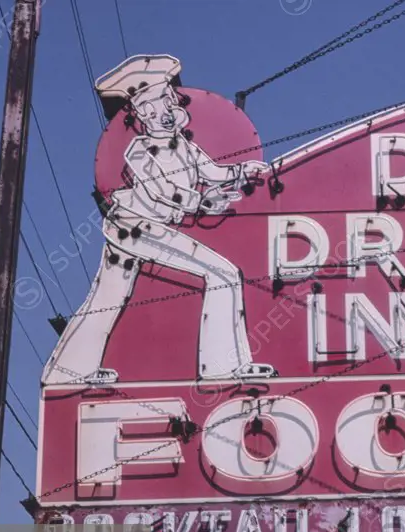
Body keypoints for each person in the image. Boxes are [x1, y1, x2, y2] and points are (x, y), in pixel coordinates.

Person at [42, 54, 276, 385]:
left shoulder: (185, 144)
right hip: (136, 228)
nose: (160, 114)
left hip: (142, 228)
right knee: (222, 273)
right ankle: (221, 369)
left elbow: (213, 172)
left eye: (164, 104)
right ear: (137, 115)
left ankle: (67, 372)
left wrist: (241, 172)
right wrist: (202, 202)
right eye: (150, 109)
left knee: (108, 297)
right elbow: (165, 193)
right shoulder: (137, 153)